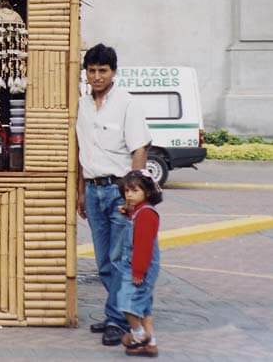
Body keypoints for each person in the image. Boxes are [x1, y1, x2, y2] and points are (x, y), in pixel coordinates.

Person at [75, 43, 151, 346]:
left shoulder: (127, 104)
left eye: (102, 71)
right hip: (93, 191)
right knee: (104, 260)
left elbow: (139, 150)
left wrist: (134, 196)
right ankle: (115, 313)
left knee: (121, 259)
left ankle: (119, 320)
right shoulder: (81, 105)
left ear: (114, 72)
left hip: (119, 190)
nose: (96, 76)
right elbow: (81, 152)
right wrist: (81, 192)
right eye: (91, 71)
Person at [116, 169, 163, 357]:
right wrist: (128, 212)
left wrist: (138, 271)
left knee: (126, 301)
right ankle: (150, 343)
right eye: (127, 191)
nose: (129, 195)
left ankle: (138, 335)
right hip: (139, 267)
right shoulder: (139, 211)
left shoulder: (146, 214)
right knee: (143, 307)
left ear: (148, 192)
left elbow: (143, 245)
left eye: (135, 191)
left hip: (139, 267)